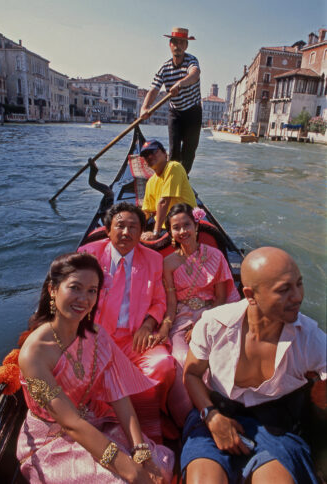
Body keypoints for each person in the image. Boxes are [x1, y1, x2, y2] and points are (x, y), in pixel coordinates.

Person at [17, 252, 174, 483]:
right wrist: (130, 470)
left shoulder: (96, 335)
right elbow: (71, 423)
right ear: (53, 290)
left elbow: (118, 394)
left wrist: (140, 451)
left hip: (94, 420)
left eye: (92, 291)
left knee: (158, 465)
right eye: (75, 288)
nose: (84, 298)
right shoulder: (34, 354)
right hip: (53, 439)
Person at [182, 246, 326, 484]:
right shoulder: (213, 324)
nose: (298, 296)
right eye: (284, 290)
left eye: (299, 284)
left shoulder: (309, 335)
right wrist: (211, 416)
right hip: (215, 412)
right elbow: (192, 375)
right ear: (250, 295)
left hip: (276, 424)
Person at [78, 202, 175, 443]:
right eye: (119, 226)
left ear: (142, 232)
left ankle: (147, 414)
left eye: (133, 227)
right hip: (95, 336)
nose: (126, 232)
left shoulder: (153, 259)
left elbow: (160, 301)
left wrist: (148, 324)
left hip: (134, 337)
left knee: (163, 365)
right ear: (108, 229)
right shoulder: (88, 255)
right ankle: (112, 417)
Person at [151, 203, 240, 427]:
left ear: (196, 226)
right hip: (181, 318)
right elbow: (171, 302)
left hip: (212, 314)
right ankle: (188, 417)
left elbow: (220, 298)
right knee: (181, 359)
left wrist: (202, 325)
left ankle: (221, 407)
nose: (182, 232)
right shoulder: (168, 263)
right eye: (176, 227)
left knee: (216, 356)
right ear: (170, 232)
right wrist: (166, 326)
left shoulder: (216, 256)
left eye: (186, 225)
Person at [140, 27, 202, 175]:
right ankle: (171, 180)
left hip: (193, 112)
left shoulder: (191, 61)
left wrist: (180, 84)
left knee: (188, 152)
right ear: (170, 45)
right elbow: (154, 89)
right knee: (174, 151)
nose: (178, 46)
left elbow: (195, 74)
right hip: (175, 112)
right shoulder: (165, 67)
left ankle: (183, 180)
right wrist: (144, 108)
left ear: (186, 46)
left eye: (182, 43)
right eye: (175, 42)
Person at [140, 140, 197, 241]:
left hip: (181, 225)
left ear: (165, 154)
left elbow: (163, 202)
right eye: (145, 155)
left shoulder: (173, 167)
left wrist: (155, 233)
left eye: (153, 152)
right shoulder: (150, 182)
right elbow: (146, 212)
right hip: (164, 225)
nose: (149, 156)